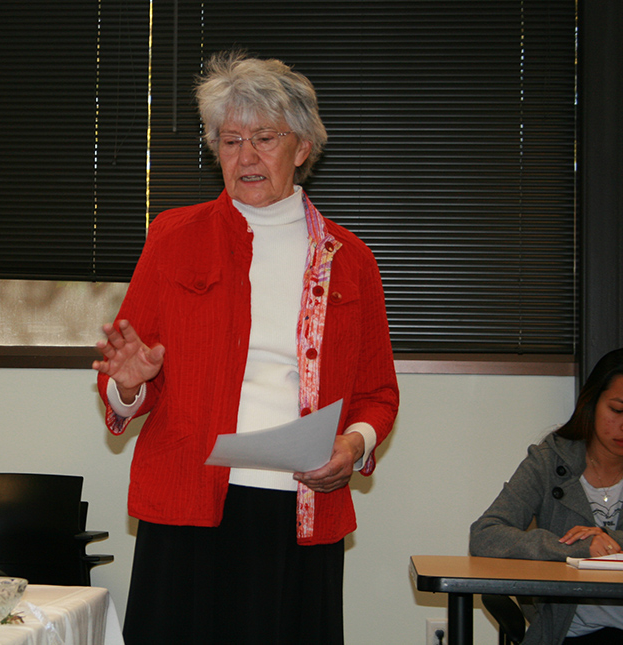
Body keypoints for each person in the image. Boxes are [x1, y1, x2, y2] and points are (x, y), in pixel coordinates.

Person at [92, 50, 399, 644]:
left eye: (264, 138)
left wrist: (352, 444)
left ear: (302, 147)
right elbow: (125, 374)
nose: (247, 157)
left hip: (300, 505)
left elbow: (378, 394)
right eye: (230, 141)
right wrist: (128, 385)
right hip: (188, 497)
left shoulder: (350, 260)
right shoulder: (174, 237)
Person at [470, 348, 623, 644]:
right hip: (569, 634)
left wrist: (611, 540)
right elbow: (485, 535)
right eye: (618, 410)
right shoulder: (549, 461)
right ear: (591, 403)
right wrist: (575, 548)